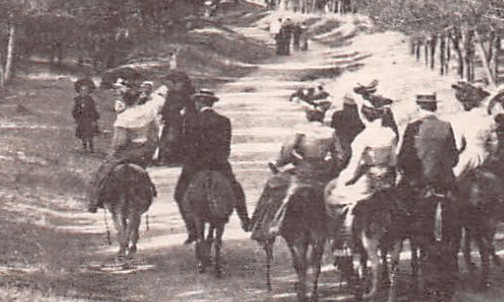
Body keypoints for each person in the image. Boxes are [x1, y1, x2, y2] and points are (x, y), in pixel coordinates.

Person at [251, 88, 348, 244]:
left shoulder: (299, 130)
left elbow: (286, 153)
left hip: (302, 173)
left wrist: (280, 163)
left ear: (308, 115)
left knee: (274, 187)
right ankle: (341, 235)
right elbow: (340, 157)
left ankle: (268, 227)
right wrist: (330, 165)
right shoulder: (331, 132)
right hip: (323, 175)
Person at [325, 96, 400, 260]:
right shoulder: (390, 133)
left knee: (334, 198)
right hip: (386, 180)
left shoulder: (362, 137)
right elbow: (393, 160)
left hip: (367, 180)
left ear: (364, 115)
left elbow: (355, 165)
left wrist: (346, 180)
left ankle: (343, 243)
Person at [173, 89, 251, 242]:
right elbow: (226, 146)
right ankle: (245, 219)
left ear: (199, 102)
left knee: (179, 194)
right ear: (211, 103)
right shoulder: (224, 120)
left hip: (195, 166)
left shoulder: (190, 121)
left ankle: (192, 230)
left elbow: (184, 145)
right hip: (218, 164)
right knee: (235, 188)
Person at [87, 85, 167, 212]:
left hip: (125, 153)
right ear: (138, 99)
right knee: (143, 173)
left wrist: (111, 153)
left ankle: (94, 202)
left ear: (124, 100)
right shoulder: (148, 112)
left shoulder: (123, 116)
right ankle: (150, 193)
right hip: (143, 152)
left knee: (102, 173)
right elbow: (154, 136)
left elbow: (120, 141)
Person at [397, 91, 458, 194]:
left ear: (418, 107)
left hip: (418, 181)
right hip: (442, 181)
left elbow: (404, 157)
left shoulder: (413, 127)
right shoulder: (446, 126)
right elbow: (454, 158)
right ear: (435, 107)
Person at [448, 81, 498, 179]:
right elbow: (494, 144)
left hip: (469, 158)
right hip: (486, 157)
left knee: (451, 181)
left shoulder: (461, 119)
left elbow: (458, 146)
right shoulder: (489, 118)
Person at [71, 78, 100, 153]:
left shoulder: (90, 100)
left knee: (89, 134)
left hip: (89, 119)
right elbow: (75, 109)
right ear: (79, 91)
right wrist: (75, 117)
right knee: (82, 134)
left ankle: (91, 147)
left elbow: (93, 110)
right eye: (82, 91)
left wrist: (94, 120)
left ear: (89, 92)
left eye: (86, 91)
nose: (84, 93)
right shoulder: (77, 99)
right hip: (81, 119)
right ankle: (84, 147)